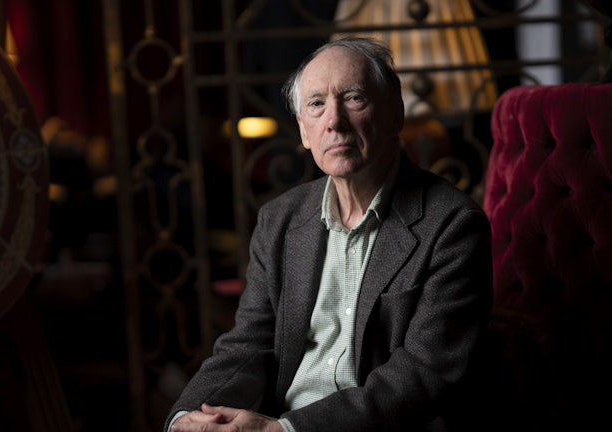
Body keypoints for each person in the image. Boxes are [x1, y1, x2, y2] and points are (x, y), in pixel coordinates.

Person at [166, 37, 493, 432]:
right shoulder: (279, 220)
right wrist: (188, 418)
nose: (333, 121)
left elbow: (425, 375)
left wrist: (284, 431)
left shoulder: (453, 224)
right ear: (304, 131)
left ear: (395, 115)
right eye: (316, 105)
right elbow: (248, 344)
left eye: (354, 98)